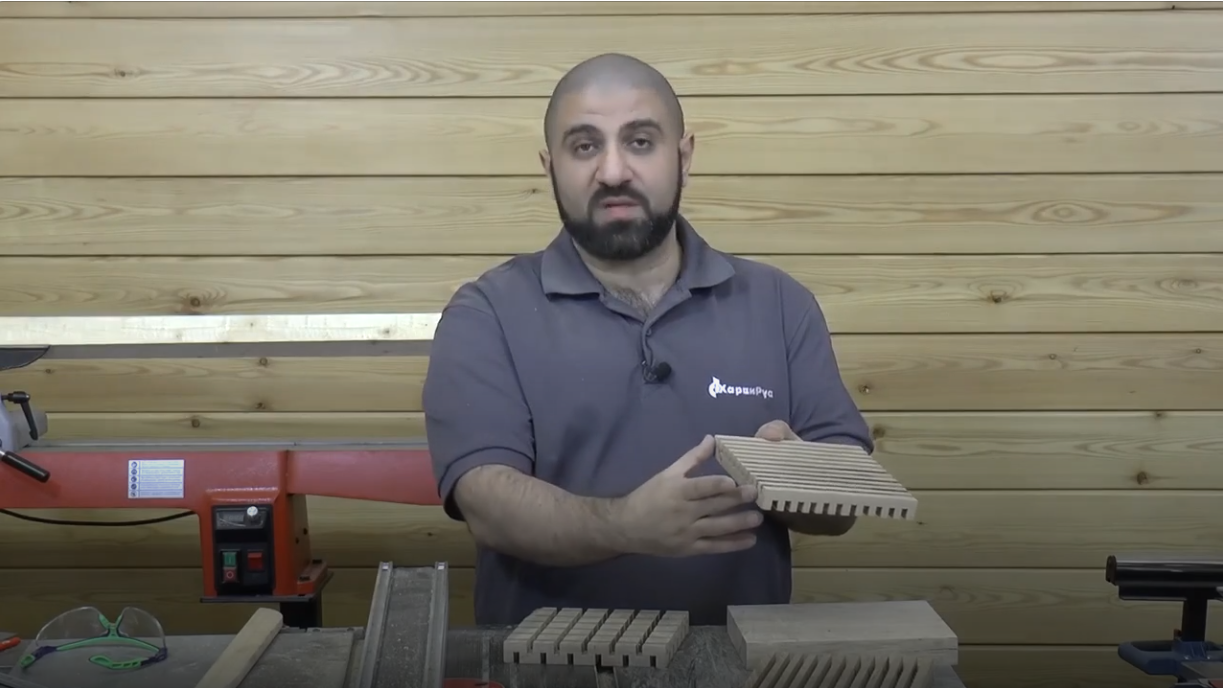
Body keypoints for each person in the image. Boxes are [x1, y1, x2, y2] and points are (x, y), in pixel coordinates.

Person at [422, 53, 874, 627]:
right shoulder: (486, 312)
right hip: (542, 663)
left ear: (683, 157)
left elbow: (843, 508)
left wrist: (797, 477)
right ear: (550, 166)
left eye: (640, 142)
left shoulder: (780, 303)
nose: (613, 171)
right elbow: (487, 502)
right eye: (584, 146)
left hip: (741, 660)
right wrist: (625, 526)